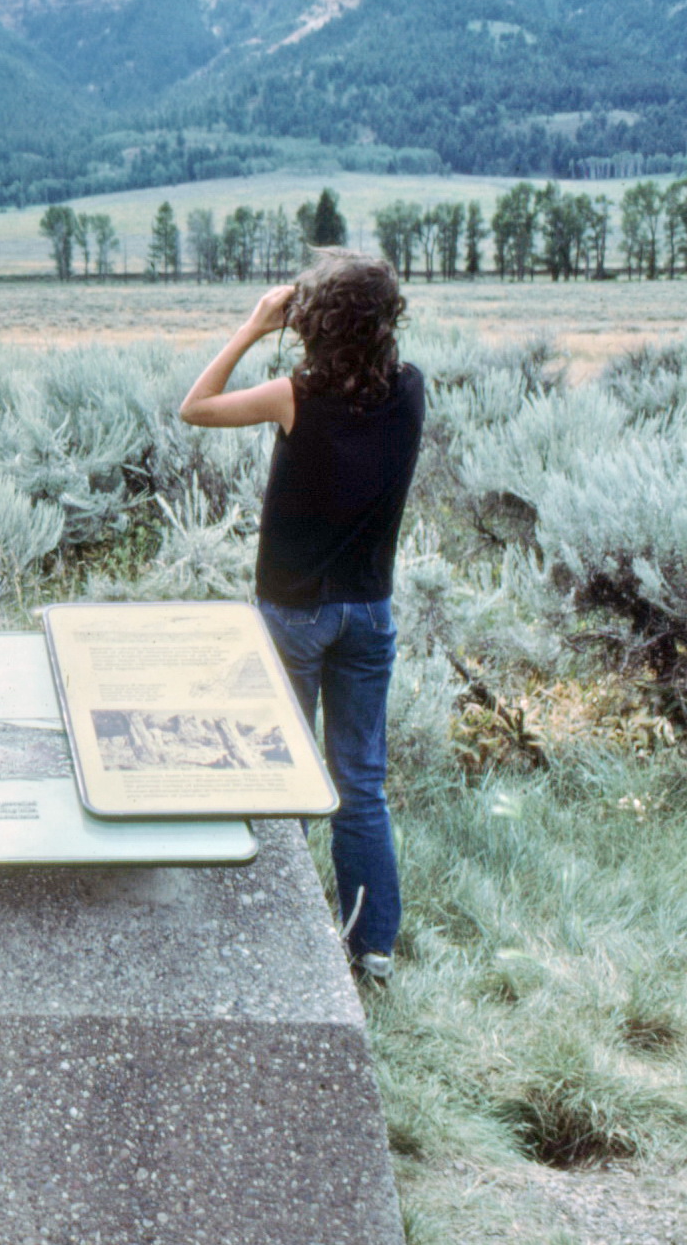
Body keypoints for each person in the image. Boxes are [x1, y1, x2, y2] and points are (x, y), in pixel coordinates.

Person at [178, 250, 424, 985]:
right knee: (362, 783)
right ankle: (371, 948)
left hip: (292, 613)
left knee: (279, 779)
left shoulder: (295, 396)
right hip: (369, 611)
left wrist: (255, 325)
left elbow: (195, 405)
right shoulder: (411, 390)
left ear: (314, 323)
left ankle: (278, 940)